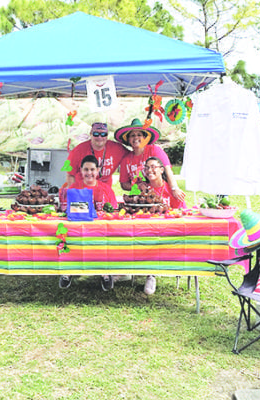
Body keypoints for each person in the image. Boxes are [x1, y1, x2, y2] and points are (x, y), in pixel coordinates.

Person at [59, 155, 118, 291]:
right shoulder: (74, 187)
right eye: (86, 169)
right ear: (81, 170)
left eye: (92, 169)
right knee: (67, 236)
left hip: (101, 229)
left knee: (106, 241)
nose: (89, 173)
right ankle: (67, 272)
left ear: (98, 171)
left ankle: (105, 273)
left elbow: (113, 211)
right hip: (79, 229)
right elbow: (68, 210)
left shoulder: (106, 189)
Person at [136, 156, 184, 295]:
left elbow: (180, 213)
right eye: (147, 168)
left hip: (169, 230)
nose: (149, 170)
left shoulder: (172, 189)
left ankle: (151, 274)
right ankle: (146, 273)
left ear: (162, 169)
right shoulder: (143, 188)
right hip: (147, 229)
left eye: (153, 167)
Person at [114, 118, 185, 206]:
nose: (136, 137)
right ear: (128, 139)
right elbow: (124, 184)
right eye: (132, 135)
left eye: (139, 134)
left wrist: (174, 188)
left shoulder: (155, 150)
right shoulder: (126, 160)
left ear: (144, 138)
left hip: (163, 193)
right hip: (141, 198)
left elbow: (167, 170)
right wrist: (137, 186)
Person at [65, 122, 128, 187]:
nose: (99, 137)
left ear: (107, 135)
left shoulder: (117, 148)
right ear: (90, 134)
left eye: (103, 134)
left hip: (105, 190)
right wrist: (75, 193)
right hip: (84, 190)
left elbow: (132, 156)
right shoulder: (78, 150)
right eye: (96, 134)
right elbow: (70, 175)